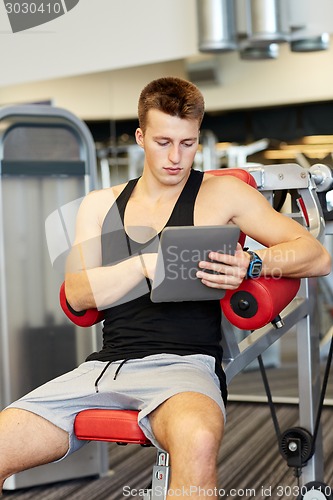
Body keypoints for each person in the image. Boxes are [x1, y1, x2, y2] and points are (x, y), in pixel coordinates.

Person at [0, 76, 331, 499]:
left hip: (185, 367)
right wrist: (141, 265)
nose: (177, 157)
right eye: (163, 142)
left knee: (197, 440)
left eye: (188, 143)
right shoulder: (100, 204)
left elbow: (316, 256)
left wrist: (252, 263)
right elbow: (80, 293)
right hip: (102, 369)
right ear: (140, 137)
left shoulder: (222, 194)